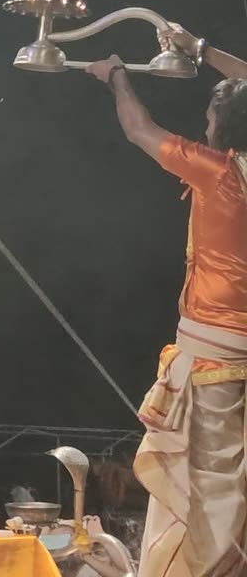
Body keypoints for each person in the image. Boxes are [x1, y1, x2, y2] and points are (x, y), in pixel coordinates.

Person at [87, 46, 247, 576]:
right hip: (230, 360)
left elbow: (139, 129)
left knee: (207, 500)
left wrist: (115, 77)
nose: (204, 127)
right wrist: (198, 48)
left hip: (215, 368)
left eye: (209, 119)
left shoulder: (219, 174)